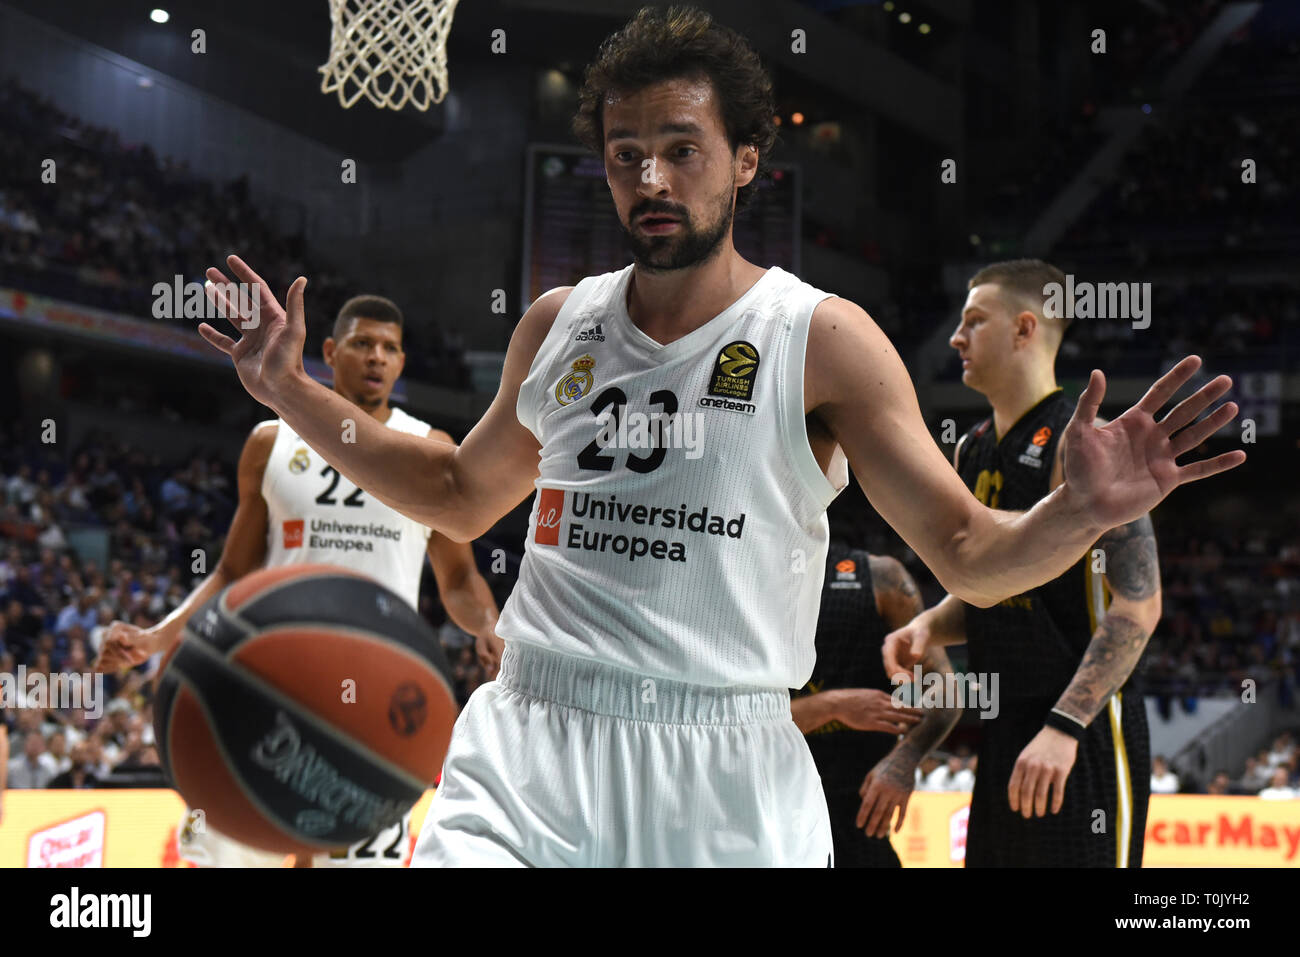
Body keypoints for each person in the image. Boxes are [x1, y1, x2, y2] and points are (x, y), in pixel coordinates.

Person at [197, 6, 1243, 867]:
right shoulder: (556, 322)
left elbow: (969, 552)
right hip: (531, 737)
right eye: (624, 156)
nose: (649, 180)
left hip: (728, 760)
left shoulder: (823, 340)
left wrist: (1082, 511)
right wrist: (291, 391)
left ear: (745, 161)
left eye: (679, 151)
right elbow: (458, 492)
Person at [96, 294, 503, 868]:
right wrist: (157, 637)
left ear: (403, 364)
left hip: (374, 694)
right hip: (266, 682)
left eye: (389, 348)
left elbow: (459, 575)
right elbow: (233, 572)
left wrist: (486, 623)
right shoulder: (270, 442)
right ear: (331, 352)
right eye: (363, 343)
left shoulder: (429, 448)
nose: (377, 358)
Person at [885, 259, 1165, 867]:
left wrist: (1065, 727)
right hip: (1006, 726)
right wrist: (931, 624)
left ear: (1023, 329)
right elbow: (996, 585)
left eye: (974, 321)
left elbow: (1139, 604)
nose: (956, 337)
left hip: (1081, 729)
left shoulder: (1080, 443)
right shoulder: (971, 447)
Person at [791, 545, 961, 866]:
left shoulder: (879, 577)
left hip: (861, 813)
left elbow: (947, 692)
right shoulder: (748, 574)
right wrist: (832, 705)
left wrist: (905, 757)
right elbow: (734, 718)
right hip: (778, 808)